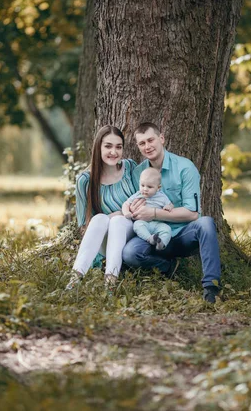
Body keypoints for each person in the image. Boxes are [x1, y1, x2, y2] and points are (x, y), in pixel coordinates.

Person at [122, 122, 222, 303]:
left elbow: (192, 214)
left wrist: (153, 212)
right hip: (152, 235)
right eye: (142, 143)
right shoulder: (139, 173)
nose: (147, 146)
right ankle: (166, 267)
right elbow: (134, 205)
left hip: (181, 234)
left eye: (151, 140)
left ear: (161, 138)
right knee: (130, 253)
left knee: (206, 223)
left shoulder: (185, 167)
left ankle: (211, 288)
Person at [66, 125, 137, 290]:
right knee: (98, 219)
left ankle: (110, 284)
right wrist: (112, 216)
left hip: (133, 235)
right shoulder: (85, 180)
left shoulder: (130, 168)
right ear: (98, 147)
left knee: (118, 221)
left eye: (118, 147)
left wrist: (120, 214)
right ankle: (73, 281)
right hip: (105, 240)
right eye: (108, 146)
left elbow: (143, 203)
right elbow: (85, 224)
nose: (114, 151)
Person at [122, 167, 174, 250]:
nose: (145, 189)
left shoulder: (162, 197)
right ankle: (150, 239)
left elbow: (170, 204)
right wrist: (126, 213)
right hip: (143, 222)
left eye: (149, 187)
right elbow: (126, 204)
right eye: (142, 185)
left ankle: (161, 243)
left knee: (167, 229)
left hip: (158, 223)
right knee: (137, 225)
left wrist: (168, 207)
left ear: (158, 187)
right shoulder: (138, 194)